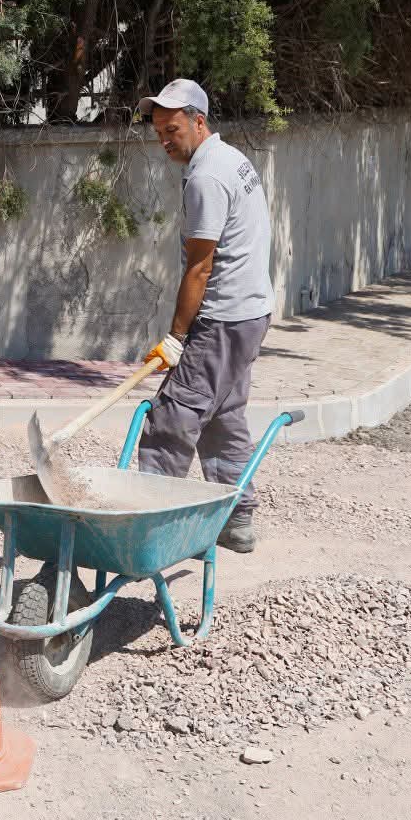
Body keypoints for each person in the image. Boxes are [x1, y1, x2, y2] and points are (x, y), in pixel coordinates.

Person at [134, 79, 274, 552]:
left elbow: (200, 265)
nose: (165, 140)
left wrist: (177, 336)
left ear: (198, 120)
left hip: (222, 319)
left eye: (171, 129)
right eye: (158, 132)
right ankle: (237, 519)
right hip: (250, 314)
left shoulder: (206, 176)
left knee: (173, 417)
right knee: (223, 416)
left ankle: (150, 528)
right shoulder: (232, 159)